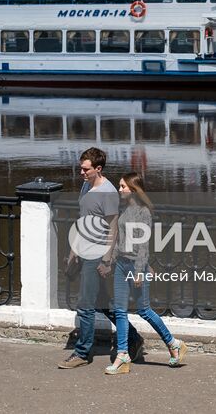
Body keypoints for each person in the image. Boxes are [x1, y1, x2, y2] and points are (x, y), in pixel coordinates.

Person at [59, 147, 141, 369]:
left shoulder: (108, 192)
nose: (81, 173)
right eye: (81, 169)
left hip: (98, 253)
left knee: (85, 304)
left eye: (86, 169)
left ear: (98, 168)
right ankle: (133, 338)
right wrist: (73, 251)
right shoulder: (86, 186)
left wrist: (106, 260)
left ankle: (82, 352)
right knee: (104, 303)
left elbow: (113, 228)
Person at [101, 172, 186, 375]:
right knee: (120, 311)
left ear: (133, 189)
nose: (119, 189)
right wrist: (109, 262)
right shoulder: (126, 209)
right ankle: (122, 356)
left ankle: (174, 344)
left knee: (144, 310)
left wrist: (140, 271)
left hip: (135, 267)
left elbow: (143, 246)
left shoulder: (143, 212)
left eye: (122, 186)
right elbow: (120, 241)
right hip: (121, 265)